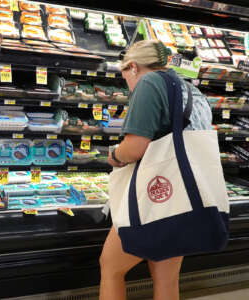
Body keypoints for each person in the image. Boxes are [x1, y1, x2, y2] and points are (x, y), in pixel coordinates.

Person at [100, 40, 212, 300]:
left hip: (153, 198)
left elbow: (135, 147)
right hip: (183, 200)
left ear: (134, 67)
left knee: (111, 267)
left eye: (124, 74)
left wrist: (114, 156)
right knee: (166, 279)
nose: (126, 82)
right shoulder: (192, 92)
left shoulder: (150, 84)